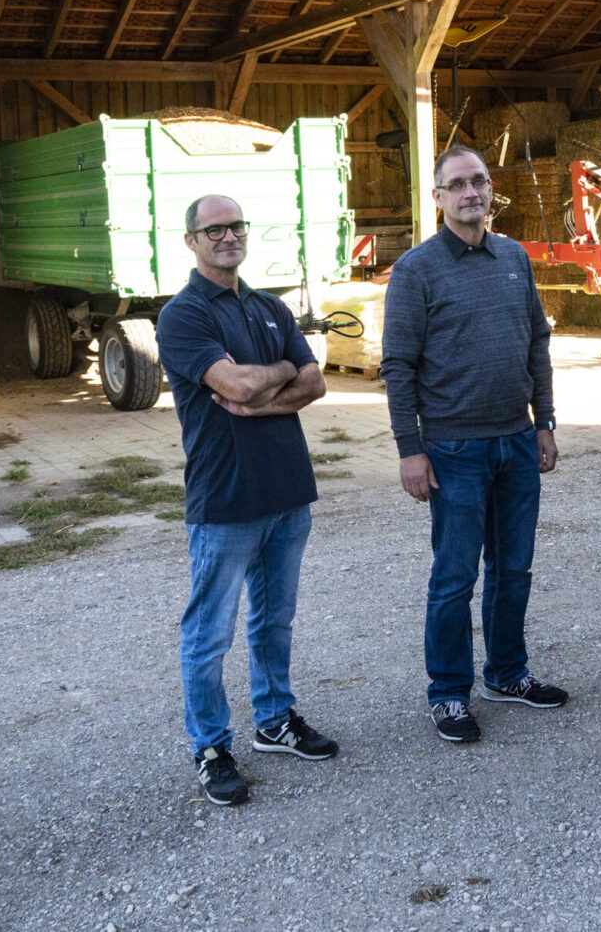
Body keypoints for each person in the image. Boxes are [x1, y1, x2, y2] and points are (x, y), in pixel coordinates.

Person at [155, 193, 337, 807]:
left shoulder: (268, 307)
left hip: (288, 490)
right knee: (210, 633)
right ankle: (209, 745)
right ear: (192, 241)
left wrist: (265, 386)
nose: (227, 236)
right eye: (214, 229)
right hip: (226, 498)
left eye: (236, 226)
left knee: (274, 619)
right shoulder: (182, 316)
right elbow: (230, 382)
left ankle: (275, 720)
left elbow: (315, 381)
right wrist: (278, 371)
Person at [381, 145, 567, 744]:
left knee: (513, 569)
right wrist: (410, 448)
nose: (471, 193)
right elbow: (398, 365)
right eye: (457, 185)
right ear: (437, 198)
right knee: (454, 577)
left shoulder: (514, 256)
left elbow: (536, 342)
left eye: (479, 182)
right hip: (453, 451)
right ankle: (448, 694)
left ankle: (507, 674)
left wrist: (545, 422)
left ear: (490, 191)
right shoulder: (417, 270)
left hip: (515, 441)